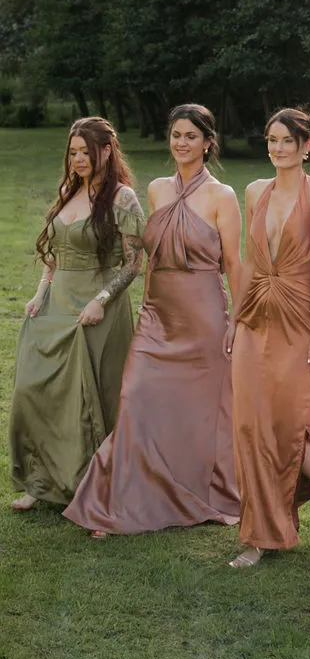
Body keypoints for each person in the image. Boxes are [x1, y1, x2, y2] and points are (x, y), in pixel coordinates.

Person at [64, 104, 242, 536]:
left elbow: (235, 264)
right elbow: (145, 258)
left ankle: (201, 490)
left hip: (204, 316)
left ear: (207, 143)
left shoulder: (223, 196)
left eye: (191, 136)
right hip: (157, 315)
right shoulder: (158, 190)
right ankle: (117, 503)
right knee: (137, 398)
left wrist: (236, 319)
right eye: (176, 134)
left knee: (201, 412)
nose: (181, 142)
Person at [10, 117, 145, 509]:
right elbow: (54, 258)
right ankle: (42, 481)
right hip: (56, 303)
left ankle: (98, 492)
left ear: (106, 150)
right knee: (32, 390)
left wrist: (100, 300)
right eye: (73, 152)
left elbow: (133, 264)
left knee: (90, 401)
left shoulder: (122, 198)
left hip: (97, 307)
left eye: (86, 151)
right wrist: (39, 294)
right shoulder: (69, 191)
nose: (78, 159)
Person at [227, 108, 310, 568]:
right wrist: (234, 318)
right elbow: (250, 263)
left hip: (299, 321)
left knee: (287, 424)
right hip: (255, 317)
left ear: (306, 145)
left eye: (286, 141)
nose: (277, 149)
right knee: (250, 426)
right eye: (271, 140)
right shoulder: (255, 191)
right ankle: (258, 536)